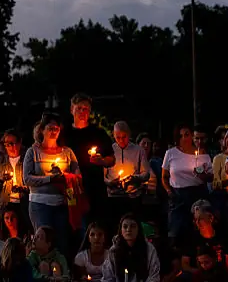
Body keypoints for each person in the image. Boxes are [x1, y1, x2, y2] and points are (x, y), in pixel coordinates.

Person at [24, 113, 80, 256]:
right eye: (50, 128)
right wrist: (50, 179)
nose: (54, 131)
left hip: (62, 204)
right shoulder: (33, 152)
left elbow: (78, 176)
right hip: (40, 204)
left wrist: (64, 176)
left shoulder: (68, 152)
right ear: (42, 130)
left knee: (62, 242)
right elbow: (27, 179)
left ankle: (61, 274)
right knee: (42, 242)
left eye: (56, 128)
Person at [85, 213, 164, 282]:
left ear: (138, 229)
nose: (128, 230)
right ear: (121, 230)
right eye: (125, 226)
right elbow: (107, 280)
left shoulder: (149, 249)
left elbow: (153, 279)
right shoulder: (114, 251)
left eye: (132, 226)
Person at [64, 93, 115, 234]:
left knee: (95, 227)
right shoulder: (64, 134)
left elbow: (112, 159)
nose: (82, 112)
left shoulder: (98, 133)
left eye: (86, 109)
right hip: (70, 189)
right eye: (79, 108)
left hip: (94, 189)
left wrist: (102, 161)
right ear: (71, 110)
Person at [162, 124, 213, 247]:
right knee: (177, 231)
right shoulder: (171, 153)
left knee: (197, 231)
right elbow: (164, 176)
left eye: (187, 134)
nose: (184, 138)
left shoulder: (203, 155)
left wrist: (201, 175)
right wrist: (169, 192)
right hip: (178, 195)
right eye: (181, 136)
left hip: (198, 194)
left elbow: (211, 177)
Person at [103, 121, 150, 228]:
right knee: (115, 227)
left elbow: (146, 173)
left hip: (133, 197)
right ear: (113, 135)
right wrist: (110, 182)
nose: (121, 140)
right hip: (113, 197)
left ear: (129, 134)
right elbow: (104, 176)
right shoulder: (109, 150)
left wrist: (134, 178)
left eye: (124, 137)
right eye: (117, 137)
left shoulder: (139, 150)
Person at [0, 128, 27, 220]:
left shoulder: (27, 161)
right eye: (6, 144)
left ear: (20, 142)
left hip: (25, 205)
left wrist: (23, 188)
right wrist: (1, 180)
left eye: (12, 144)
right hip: (4, 206)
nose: (9, 147)